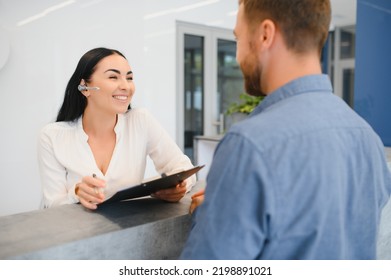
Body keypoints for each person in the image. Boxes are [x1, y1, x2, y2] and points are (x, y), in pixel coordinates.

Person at [180, 0, 391, 259]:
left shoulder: (250, 144)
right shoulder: (367, 137)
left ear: (265, 34)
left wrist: (212, 215)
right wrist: (226, 207)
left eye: (238, 38)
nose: (236, 56)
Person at [38, 47, 195, 210]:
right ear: (84, 87)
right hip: (75, 233)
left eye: (129, 78)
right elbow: (52, 204)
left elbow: (184, 167)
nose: (126, 86)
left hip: (128, 231)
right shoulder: (51, 136)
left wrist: (179, 187)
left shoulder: (140, 120)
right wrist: (76, 194)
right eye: (113, 77)